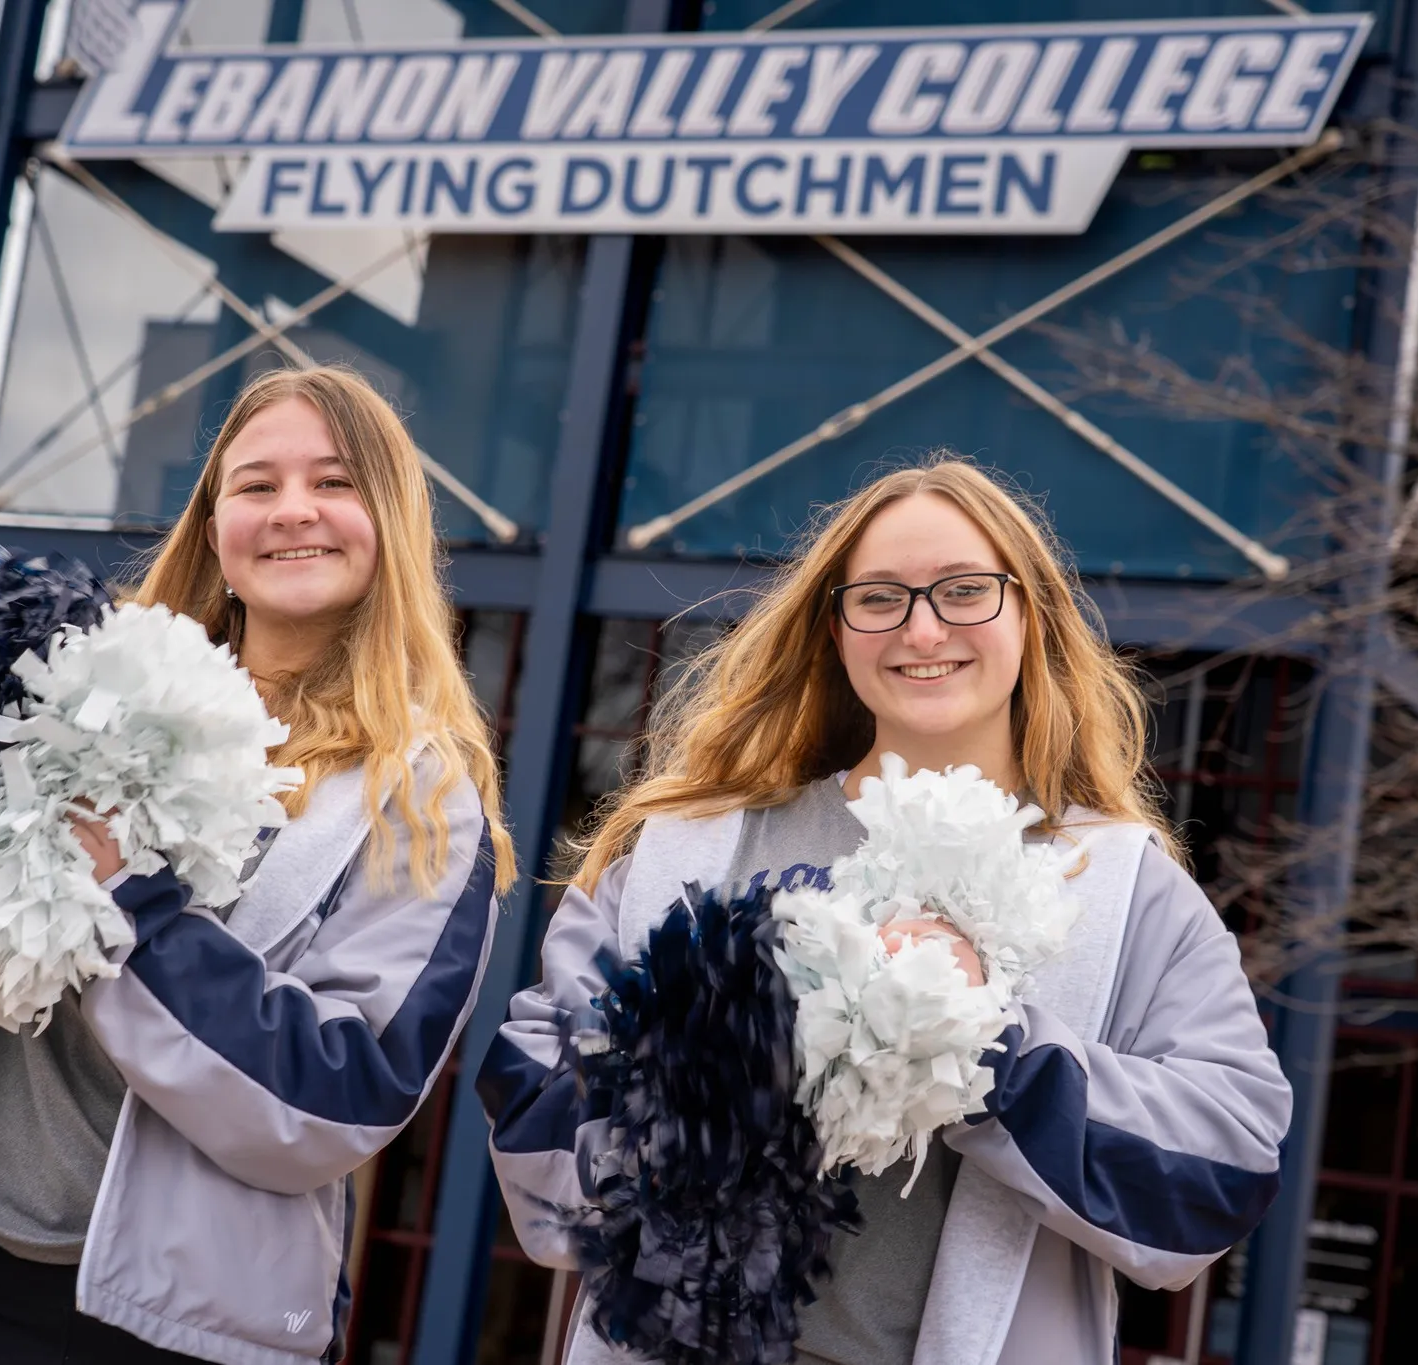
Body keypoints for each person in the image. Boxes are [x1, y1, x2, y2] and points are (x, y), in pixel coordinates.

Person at [480, 455, 1292, 1365]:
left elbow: (1224, 1175)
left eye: (965, 591)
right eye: (880, 598)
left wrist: (986, 1047)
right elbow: (536, 1123)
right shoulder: (689, 846)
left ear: (1031, 613)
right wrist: (740, 1043)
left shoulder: (1122, 886)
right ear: (835, 627)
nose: (922, 627)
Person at [0, 365, 515, 1365]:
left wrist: (135, 909)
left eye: (334, 483)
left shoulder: (421, 799)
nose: (291, 511)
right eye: (255, 486)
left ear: (389, 522)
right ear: (214, 525)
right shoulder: (65, 682)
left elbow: (340, 1101)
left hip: (179, 1329)